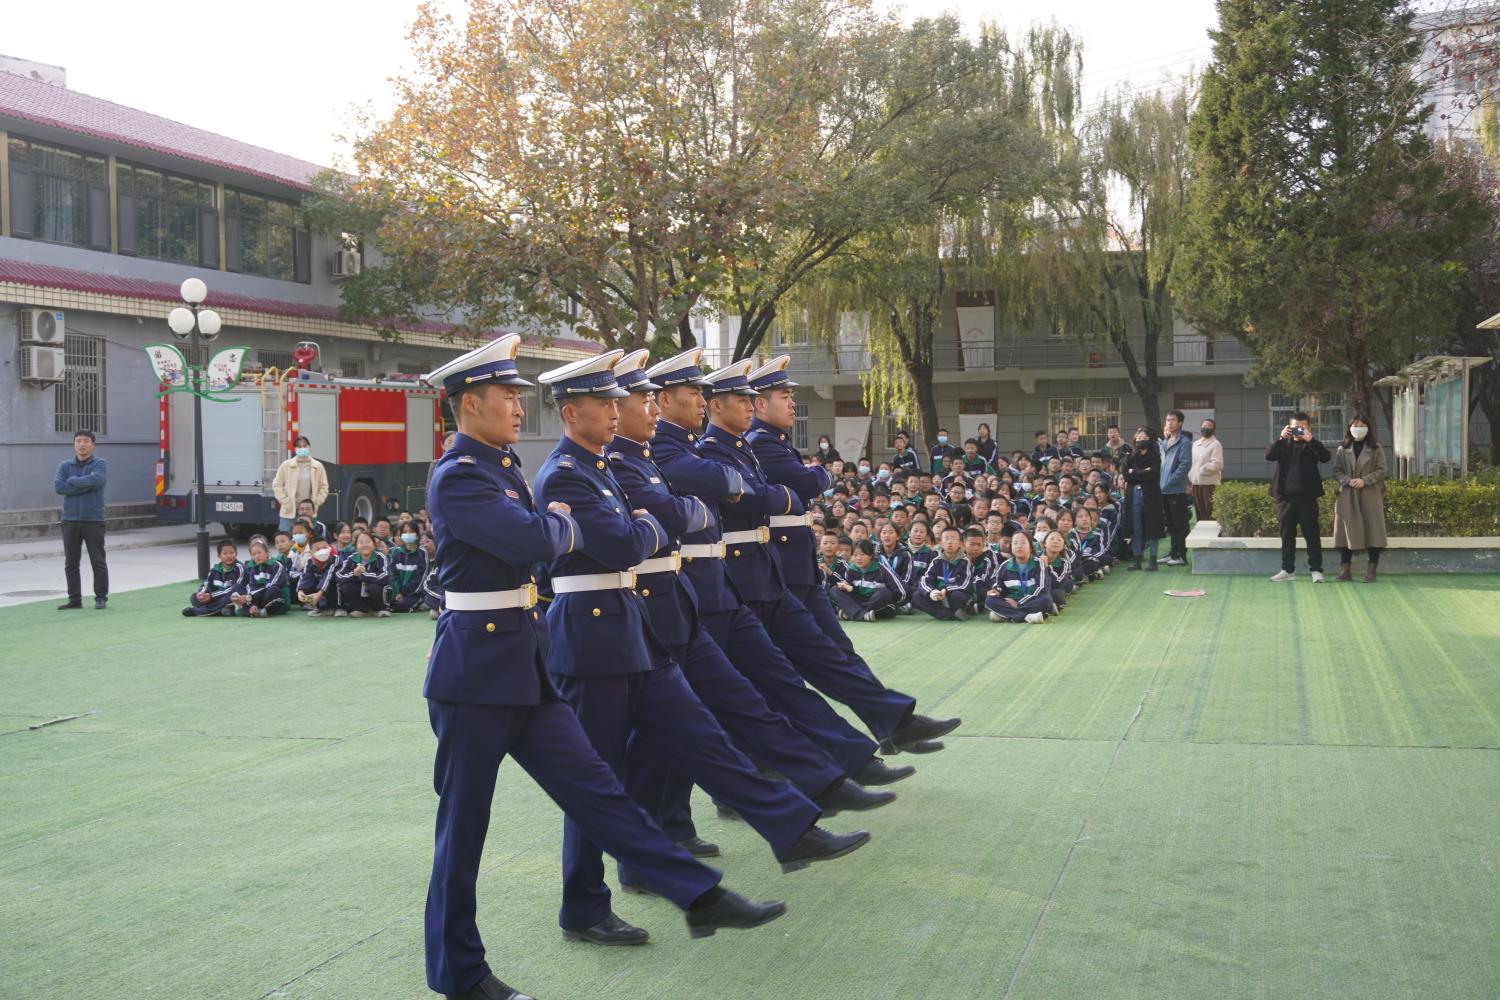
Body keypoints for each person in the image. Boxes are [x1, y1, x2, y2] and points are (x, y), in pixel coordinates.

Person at [420, 336, 786, 1000]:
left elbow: (545, 542)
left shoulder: (500, 468)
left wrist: (557, 527)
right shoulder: (462, 475)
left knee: (599, 790)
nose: (514, 407)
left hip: (522, 662)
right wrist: (556, 526)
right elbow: (540, 541)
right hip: (474, 677)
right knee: (463, 834)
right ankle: (460, 975)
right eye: (506, 396)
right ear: (468, 404)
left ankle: (697, 896)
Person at [534, 349, 867, 948]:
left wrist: (655, 522)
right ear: (570, 411)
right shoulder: (564, 473)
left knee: (705, 734)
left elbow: (672, 518)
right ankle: (586, 905)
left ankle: (790, 829)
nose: (628, 410)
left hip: (638, 623)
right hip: (592, 640)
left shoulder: (606, 466)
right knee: (599, 781)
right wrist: (656, 524)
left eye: (624, 400)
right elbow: (629, 540)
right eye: (616, 402)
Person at [1266, 411, 1332, 583]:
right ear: (1289, 427)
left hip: (1306, 498)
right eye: (1295, 427)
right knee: (1286, 535)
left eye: (1302, 428)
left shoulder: (1312, 445)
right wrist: (1280, 438)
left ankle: (1316, 570)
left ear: (1309, 428)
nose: (1298, 431)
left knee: (1312, 535)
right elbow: (1269, 456)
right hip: (1285, 498)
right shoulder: (1283, 444)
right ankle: (1288, 570)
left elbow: (1326, 457)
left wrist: (1312, 441)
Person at [55, 429, 109, 611]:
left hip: (93, 520)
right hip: (70, 520)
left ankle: (100, 597)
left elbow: (97, 480)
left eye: (86, 441)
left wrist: (73, 481)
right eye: (78, 441)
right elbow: (58, 487)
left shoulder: (100, 464)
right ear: (74, 444)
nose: (82, 444)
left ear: (93, 444)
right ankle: (74, 599)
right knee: (71, 562)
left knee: (98, 561)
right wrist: (84, 485)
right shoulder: (65, 465)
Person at [1331, 416, 1388, 583]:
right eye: (1355, 425)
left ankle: (1371, 570)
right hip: (1347, 493)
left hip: (1369, 493)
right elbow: (1336, 470)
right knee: (1344, 531)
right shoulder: (1343, 448)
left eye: (1362, 425)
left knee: (1373, 531)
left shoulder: (1376, 448)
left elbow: (1382, 469)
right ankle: (1345, 569)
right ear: (1349, 427)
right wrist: (1347, 480)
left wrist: (1365, 480)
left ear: (1368, 428)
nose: (1358, 428)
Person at [828, 539, 906, 621]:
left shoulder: (881, 569)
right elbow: (853, 591)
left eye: (862, 555)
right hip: (861, 601)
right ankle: (862, 615)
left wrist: (897, 604)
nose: (858, 558)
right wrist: (846, 587)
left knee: (885, 592)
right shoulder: (851, 569)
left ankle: (852, 612)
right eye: (855, 555)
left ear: (871, 555)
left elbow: (901, 591)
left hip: (880, 604)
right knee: (834, 590)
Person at [985, 531, 1053, 624]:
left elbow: (1041, 589)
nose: (1019, 546)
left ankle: (1005, 615)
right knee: (990, 600)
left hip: (1031, 600)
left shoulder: (1038, 563)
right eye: (1015, 543)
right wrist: (996, 591)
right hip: (1011, 600)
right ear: (1011, 547)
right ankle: (1027, 617)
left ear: (1030, 547)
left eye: (1023, 543)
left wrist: (1019, 604)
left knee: (1046, 600)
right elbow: (999, 586)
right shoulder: (1004, 566)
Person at [1122, 427, 1164, 571]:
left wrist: (1135, 472)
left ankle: (1153, 560)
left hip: (1151, 495)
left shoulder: (1155, 457)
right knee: (1136, 527)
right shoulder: (1129, 457)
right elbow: (1126, 475)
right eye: (1138, 438)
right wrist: (1142, 472)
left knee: (1152, 527)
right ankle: (1137, 560)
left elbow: (1153, 475)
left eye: (1144, 438)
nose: (1140, 441)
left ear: (1150, 440)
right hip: (1133, 494)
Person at [910, 525, 974, 621]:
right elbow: (925, 580)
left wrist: (946, 590)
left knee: (957, 596)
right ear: (940, 543)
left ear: (960, 543)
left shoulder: (965, 561)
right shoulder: (936, 561)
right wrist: (931, 592)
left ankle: (961, 610)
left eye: (953, 539)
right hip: (939, 596)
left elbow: (964, 584)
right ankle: (949, 614)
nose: (950, 542)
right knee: (916, 596)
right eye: (946, 539)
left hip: (954, 594)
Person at [272, 436, 330, 532]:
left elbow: (324, 487)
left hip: (309, 511)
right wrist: (284, 500)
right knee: (287, 538)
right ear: (295, 449)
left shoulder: (318, 466)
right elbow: (277, 484)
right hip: (289, 510)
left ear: (309, 447)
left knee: (309, 540)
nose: (302, 448)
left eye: (304, 446)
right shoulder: (286, 465)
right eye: (299, 446)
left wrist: (316, 503)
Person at [1159, 410, 1192, 566]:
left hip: (1176, 490)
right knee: (1170, 524)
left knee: (1180, 523)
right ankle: (1173, 552)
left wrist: (1170, 481)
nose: (1169, 423)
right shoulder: (1164, 442)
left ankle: (1181, 555)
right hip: (1164, 489)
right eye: (1167, 420)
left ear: (1180, 423)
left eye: (1173, 420)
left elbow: (1184, 465)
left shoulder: (1184, 442)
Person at [337, 530, 391, 617]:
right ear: (356, 546)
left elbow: (384, 575)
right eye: (361, 542)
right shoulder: (351, 558)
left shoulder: (381, 557)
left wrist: (363, 574)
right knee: (346, 586)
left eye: (368, 542)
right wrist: (354, 573)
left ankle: (382, 608)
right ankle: (362, 609)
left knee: (374, 586)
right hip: (360, 591)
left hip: (377, 589)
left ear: (374, 545)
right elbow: (339, 575)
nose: (364, 545)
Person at [183, 540, 244, 617]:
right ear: (219, 556)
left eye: (231, 553)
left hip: (232, 597)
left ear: (236, 554)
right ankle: (222, 610)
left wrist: (211, 596)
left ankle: (197, 611)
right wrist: (202, 593)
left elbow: (235, 588)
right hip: (215, 597)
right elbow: (207, 583)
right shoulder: (215, 569)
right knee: (194, 597)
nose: (229, 556)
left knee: (228, 598)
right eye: (225, 553)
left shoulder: (240, 568)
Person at [235, 538, 289, 617]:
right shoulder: (251, 568)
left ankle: (247, 610)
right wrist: (252, 603)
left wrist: (250, 597)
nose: (257, 556)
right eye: (254, 554)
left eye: (259, 553)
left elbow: (271, 585)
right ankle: (253, 609)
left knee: (273, 590)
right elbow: (250, 586)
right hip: (255, 598)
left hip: (274, 599)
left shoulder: (277, 566)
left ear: (267, 553)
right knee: (237, 587)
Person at [389, 526, 431, 612]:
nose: (408, 534)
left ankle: (421, 601)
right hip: (398, 591)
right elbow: (393, 574)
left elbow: (420, 578)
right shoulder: (395, 552)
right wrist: (398, 592)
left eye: (411, 532)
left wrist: (403, 593)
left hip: (415, 592)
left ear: (417, 535)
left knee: (402, 607)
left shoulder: (422, 552)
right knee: (390, 604)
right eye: (405, 532)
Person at [1190, 418, 1224, 521]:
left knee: (1210, 512)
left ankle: (1212, 535)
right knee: (1199, 513)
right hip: (1196, 484)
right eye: (1204, 426)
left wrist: (1202, 470)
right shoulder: (1196, 444)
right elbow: (1193, 462)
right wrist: (1192, 476)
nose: (1206, 428)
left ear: (1214, 429)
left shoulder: (1216, 444)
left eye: (1209, 426)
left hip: (1209, 485)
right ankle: (1201, 535)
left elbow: (1218, 464)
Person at [295, 540, 340, 617]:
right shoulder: (310, 561)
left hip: (335, 590)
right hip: (321, 589)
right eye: (318, 549)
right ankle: (321, 608)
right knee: (310, 583)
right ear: (311, 552)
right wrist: (300, 591)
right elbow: (305, 577)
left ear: (329, 547)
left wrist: (319, 594)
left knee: (333, 582)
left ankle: (339, 607)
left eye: (325, 547)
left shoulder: (335, 559)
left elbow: (328, 576)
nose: (322, 550)